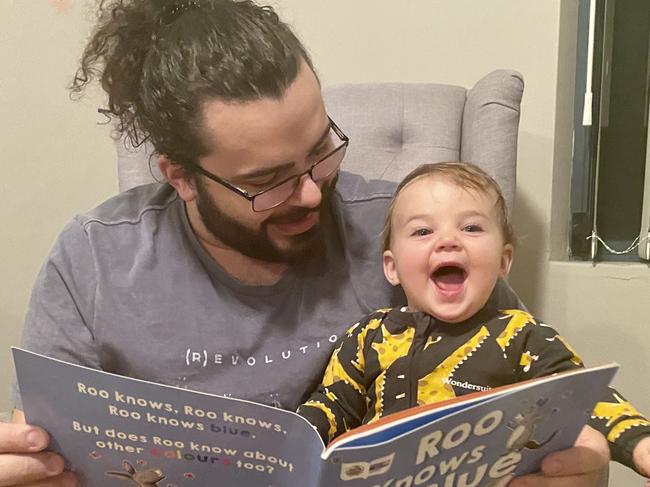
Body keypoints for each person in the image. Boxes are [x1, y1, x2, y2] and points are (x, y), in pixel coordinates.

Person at [0, 0, 636, 485]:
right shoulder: (93, 261)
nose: (309, 194)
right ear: (181, 176)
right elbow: (46, 452)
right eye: (266, 182)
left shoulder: (414, 226)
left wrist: (570, 464)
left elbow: (533, 393)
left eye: (319, 150)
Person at [297, 162, 650, 478]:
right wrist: (286, 444)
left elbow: (581, 396)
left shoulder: (520, 334)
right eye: (422, 232)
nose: (448, 241)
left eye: (471, 228)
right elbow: (332, 404)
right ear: (392, 267)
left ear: (503, 261)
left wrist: (640, 444)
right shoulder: (367, 336)